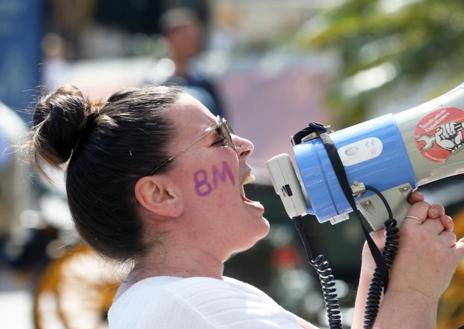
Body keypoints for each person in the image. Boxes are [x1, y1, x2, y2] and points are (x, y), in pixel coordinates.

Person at [27, 84, 464, 328]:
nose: (244, 146)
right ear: (160, 195)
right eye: (218, 137)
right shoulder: (193, 309)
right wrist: (414, 293)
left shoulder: (179, 303)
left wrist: (382, 269)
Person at [143, 7, 225, 118]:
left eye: (194, 36)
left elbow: (220, 119)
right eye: (186, 36)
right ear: (170, 38)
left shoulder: (205, 80)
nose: (193, 41)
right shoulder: (154, 82)